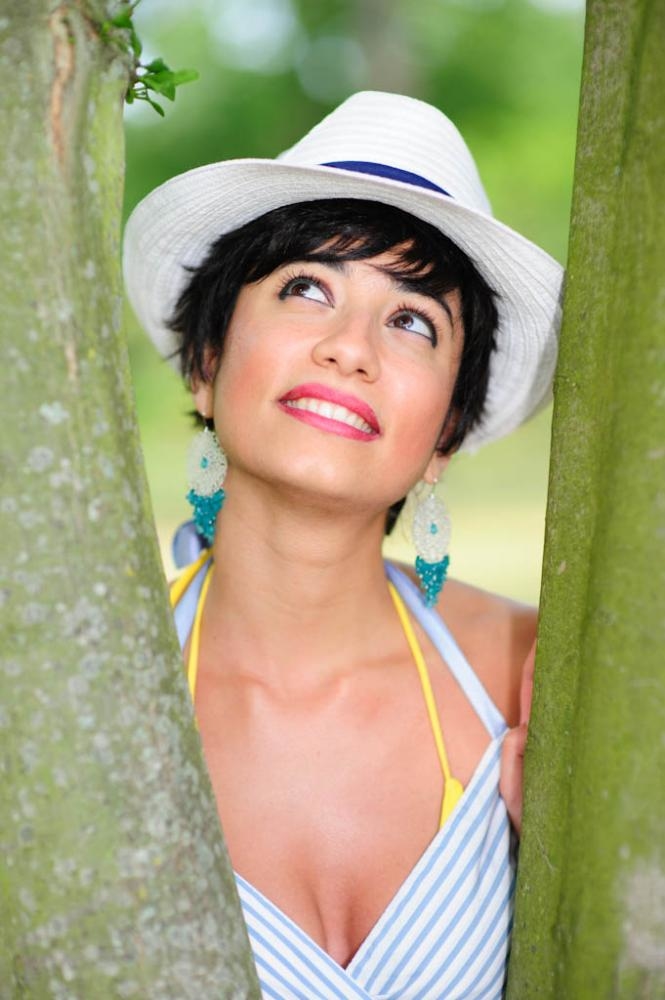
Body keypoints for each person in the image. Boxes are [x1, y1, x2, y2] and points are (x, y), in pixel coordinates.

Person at [123, 91, 562, 999]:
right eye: (306, 289)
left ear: (445, 434)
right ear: (206, 363)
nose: (350, 349)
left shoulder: (532, 675)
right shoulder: (95, 694)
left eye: (411, 321)